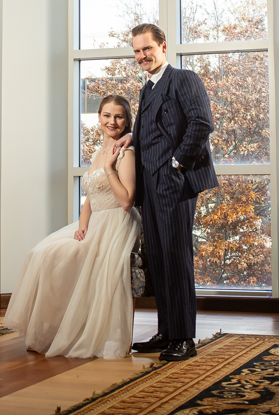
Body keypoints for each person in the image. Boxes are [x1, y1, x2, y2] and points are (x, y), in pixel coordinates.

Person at [3, 95, 141, 359]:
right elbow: (91, 196)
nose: (112, 121)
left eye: (119, 116)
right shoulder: (98, 153)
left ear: (127, 121)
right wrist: (82, 226)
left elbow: (126, 201)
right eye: (107, 115)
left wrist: (110, 168)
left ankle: (75, 331)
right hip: (94, 221)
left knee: (64, 256)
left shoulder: (126, 154)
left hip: (116, 223)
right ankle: (52, 329)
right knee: (40, 254)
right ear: (98, 117)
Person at [115, 23, 217, 362]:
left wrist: (177, 164)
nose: (142, 55)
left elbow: (201, 123)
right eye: (137, 51)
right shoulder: (147, 88)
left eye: (147, 48)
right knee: (158, 260)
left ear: (163, 47)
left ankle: (184, 338)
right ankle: (167, 333)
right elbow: (152, 130)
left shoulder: (184, 79)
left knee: (175, 258)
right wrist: (132, 137)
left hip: (175, 182)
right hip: (151, 185)